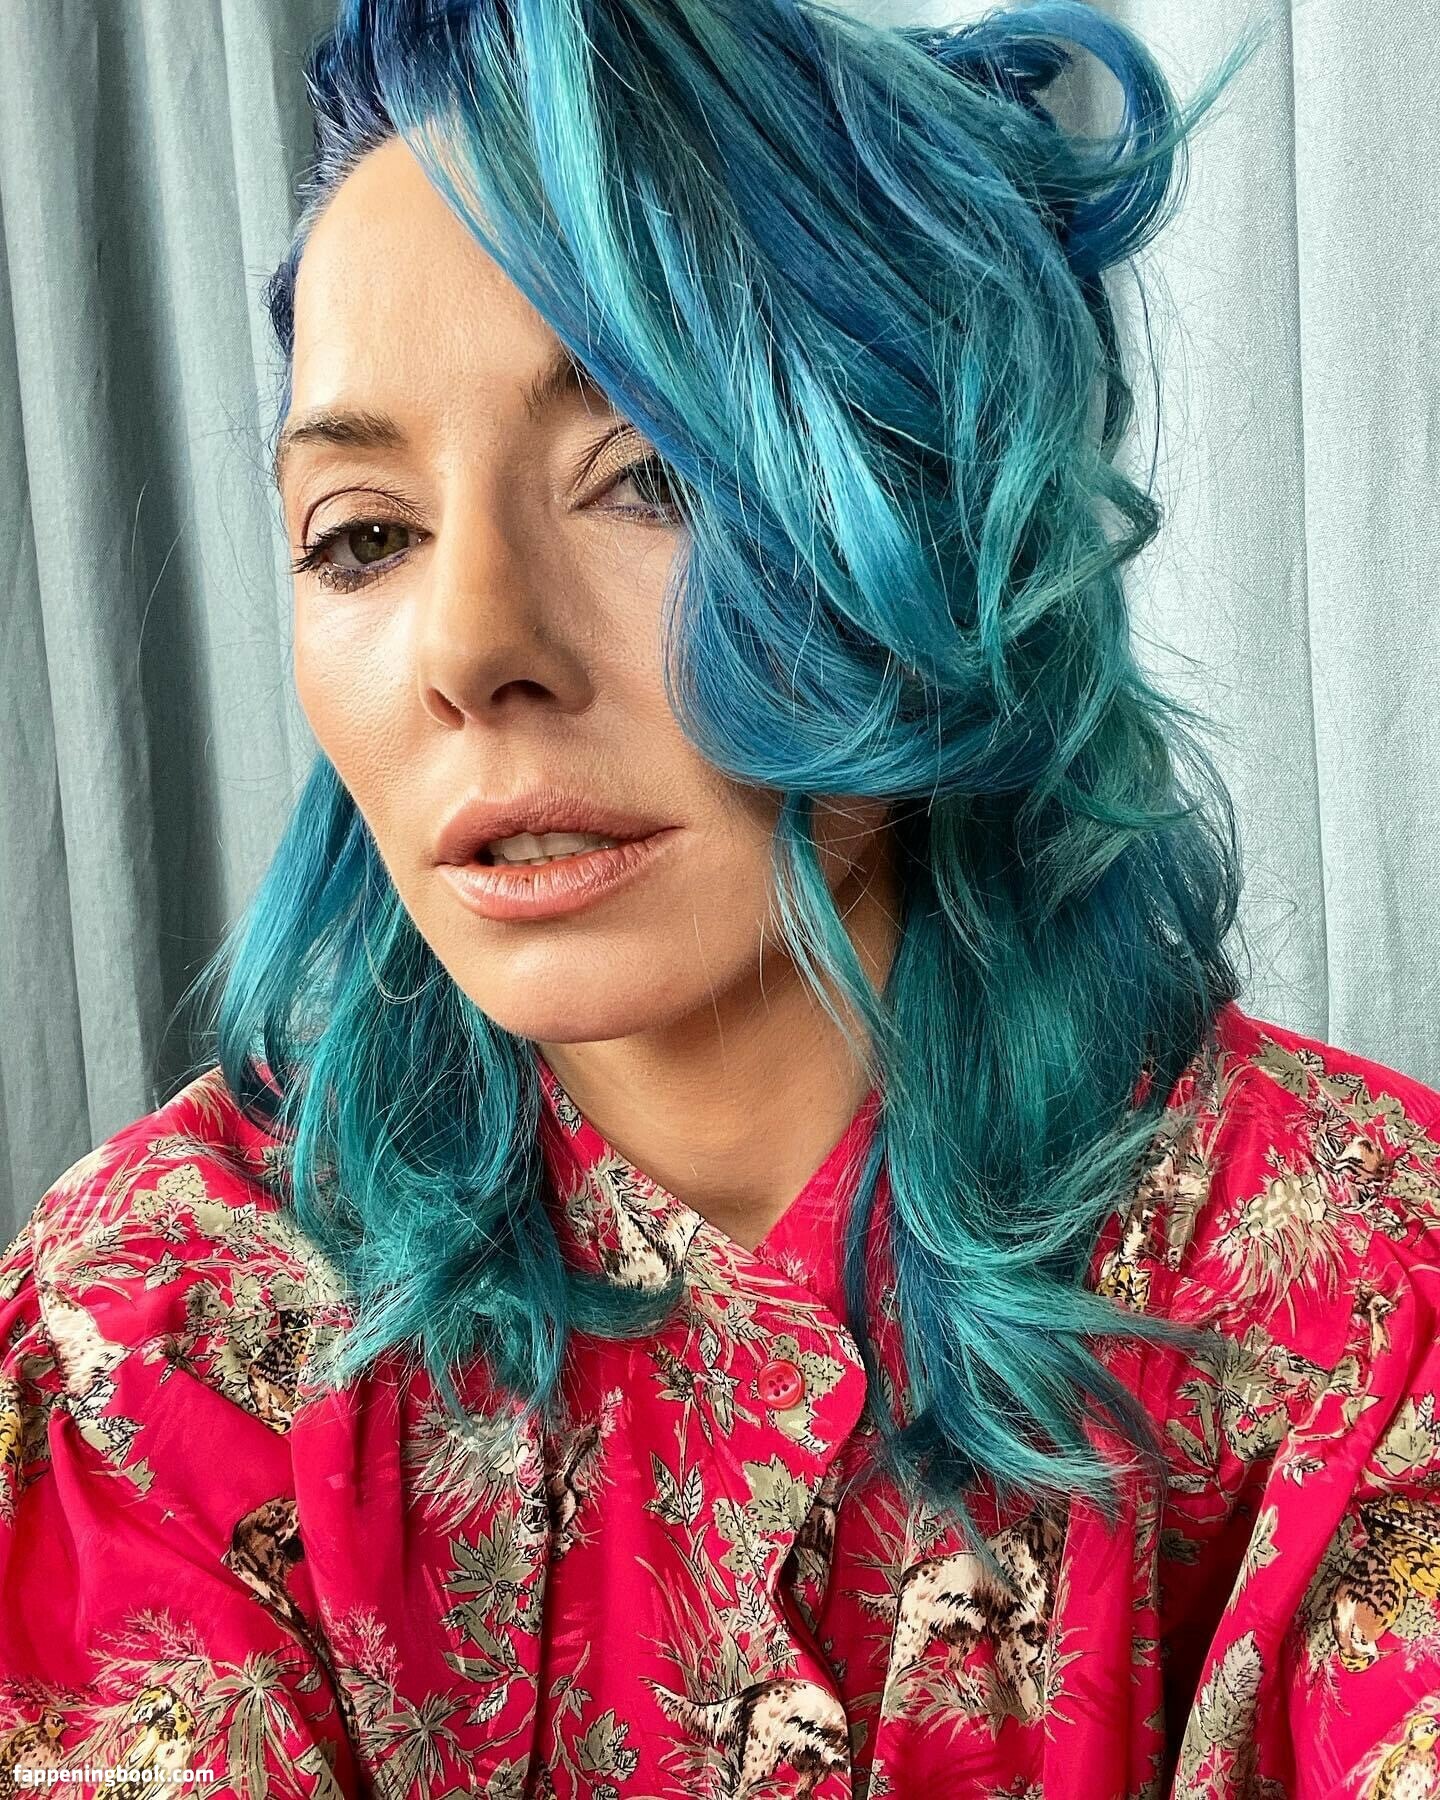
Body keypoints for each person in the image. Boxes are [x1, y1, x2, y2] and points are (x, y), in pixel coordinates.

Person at [3, 0, 1438, 1795]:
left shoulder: (1358, 1290)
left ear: (937, 519)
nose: (471, 647)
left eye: (651, 474)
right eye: (363, 532)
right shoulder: (157, 1340)